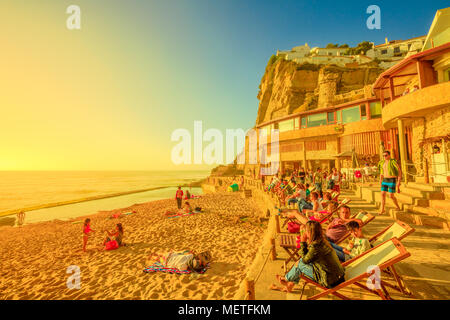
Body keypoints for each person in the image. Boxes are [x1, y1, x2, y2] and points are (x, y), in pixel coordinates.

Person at [270, 220, 345, 292]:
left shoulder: (316, 247)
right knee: (301, 263)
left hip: (330, 281)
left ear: (310, 232)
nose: (305, 233)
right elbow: (308, 257)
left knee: (300, 264)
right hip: (338, 275)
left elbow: (305, 260)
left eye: (306, 231)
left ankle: (286, 279)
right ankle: (289, 283)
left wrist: (303, 242)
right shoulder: (322, 240)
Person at [377, 150, 402, 215]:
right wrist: (380, 180)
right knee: (382, 194)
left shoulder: (393, 162)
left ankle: (397, 206)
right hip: (385, 180)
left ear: (389, 155)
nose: (384, 157)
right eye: (383, 156)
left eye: (386, 155)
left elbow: (399, 172)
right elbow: (381, 172)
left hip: (392, 180)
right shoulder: (382, 163)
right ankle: (382, 209)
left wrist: (398, 181)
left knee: (391, 196)